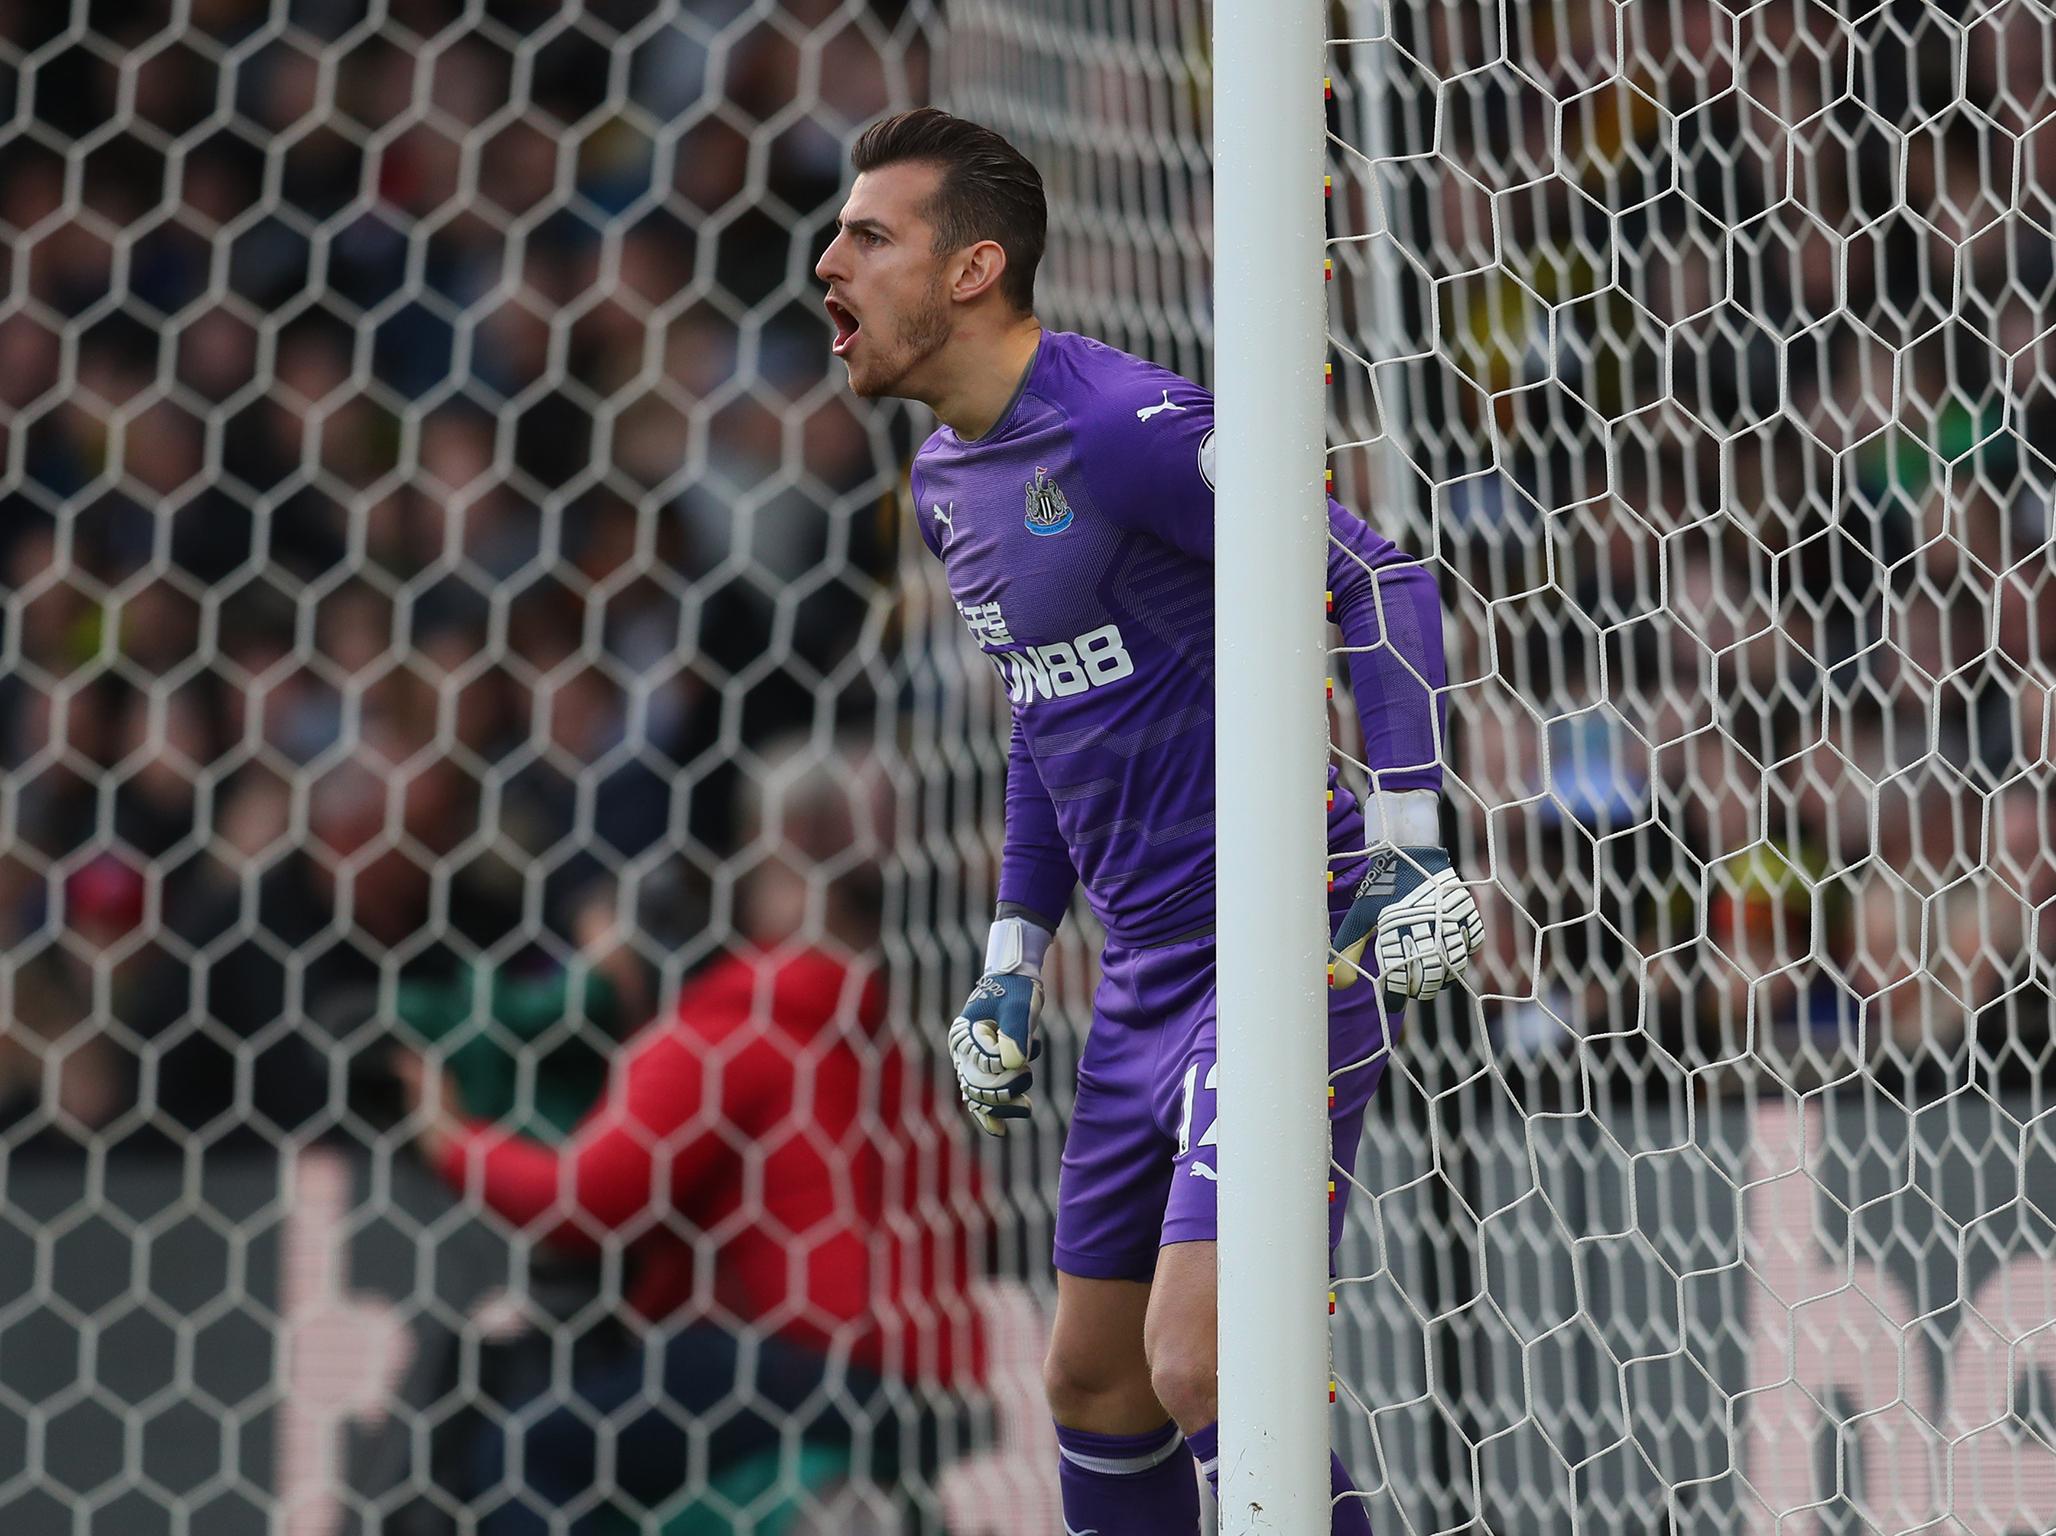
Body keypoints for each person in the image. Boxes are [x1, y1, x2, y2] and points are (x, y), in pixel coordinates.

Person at [815, 108, 1484, 1532]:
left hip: (1282, 941)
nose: (830, 263)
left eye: (870, 237)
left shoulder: (1123, 428)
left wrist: (1414, 841)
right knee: (1096, 1386)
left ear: (975, 267)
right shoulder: (946, 483)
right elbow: (1050, 719)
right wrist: (1010, 950)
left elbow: (1378, 580)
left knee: (1202, 1359)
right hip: (1140, 980)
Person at [395, 735, 982, 1533]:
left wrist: (449, 1137)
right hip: (934, 1385)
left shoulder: (738, 1023)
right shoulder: (886, 1037)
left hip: (800, 1363)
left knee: (528, 1451)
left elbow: (586, 1199)